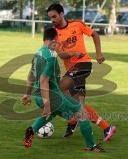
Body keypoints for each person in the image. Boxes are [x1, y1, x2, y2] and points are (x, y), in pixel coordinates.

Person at [21, 28, 104, 152]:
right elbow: (44, 80)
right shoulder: (50, 57)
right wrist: (47, 104)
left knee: (51, 114)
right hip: (51, 96)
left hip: (38, 96)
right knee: (82, 113)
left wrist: (27, 94)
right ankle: (91, 146)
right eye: (58, 41)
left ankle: (31, 131)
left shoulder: (38, 54)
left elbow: (31, 76)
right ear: (54, 40)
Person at [47, 3, 116, 140]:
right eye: (50, 18)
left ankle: (72, 121)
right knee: (79, 105)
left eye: (54, 16)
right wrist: (73, 53)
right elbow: (61, 54)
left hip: (83, 65)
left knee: (58, 89)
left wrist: (98, 54)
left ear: (62, 14)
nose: (52, 20)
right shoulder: (53, 34)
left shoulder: (77, 24)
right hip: (72, 69)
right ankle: (106, 128)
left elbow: (95, 35)